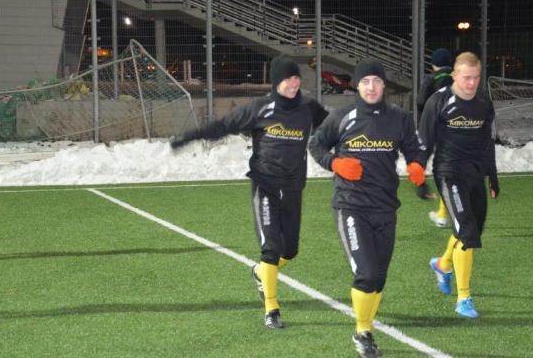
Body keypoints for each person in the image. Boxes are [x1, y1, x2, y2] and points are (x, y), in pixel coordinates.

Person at [170, 55, 328, 329]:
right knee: (271, 248)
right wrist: (190, 137)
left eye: (296, 78)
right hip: (265, 185)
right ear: (276, 82)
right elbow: (223, 126)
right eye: (288, 79)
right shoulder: (260, 109)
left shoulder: (308, 107)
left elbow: (333, 127)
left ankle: (259, 273)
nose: (294, 83)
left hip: (293, 188)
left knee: (290, 251)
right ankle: (272, 309)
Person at [309, 57, 426, 358]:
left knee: (380, 278)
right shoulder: (342, 117)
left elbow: (413, 148)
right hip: (351, 206)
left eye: (376, 81)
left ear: (384, 85)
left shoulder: (399, 117)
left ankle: (367, 325)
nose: (371, 87)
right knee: (367, 273)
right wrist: (335, 163)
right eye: (365, 82)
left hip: (386, 207)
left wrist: (416, 165)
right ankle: (363, 332)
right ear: (357, 86)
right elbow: (316, 145)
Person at [418, 52, 499, 319]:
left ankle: (443, 265)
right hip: (449, 174)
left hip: (475, 175)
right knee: (467, 232)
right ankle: (464, 298)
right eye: (466, 77)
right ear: (454, 76)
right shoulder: (438, 101)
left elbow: (487, 143)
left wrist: (493, 176)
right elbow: (425, 142)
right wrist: (419, 177)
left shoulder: (483, 103)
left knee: (471, 231)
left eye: (476, 77)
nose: (472, 83)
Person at [416, 48, 455, 227]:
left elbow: (420, 101)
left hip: (435, 128)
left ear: (433, 65)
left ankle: (443, 215)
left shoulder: (430, 79)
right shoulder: (458, 78)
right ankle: (444, 212)